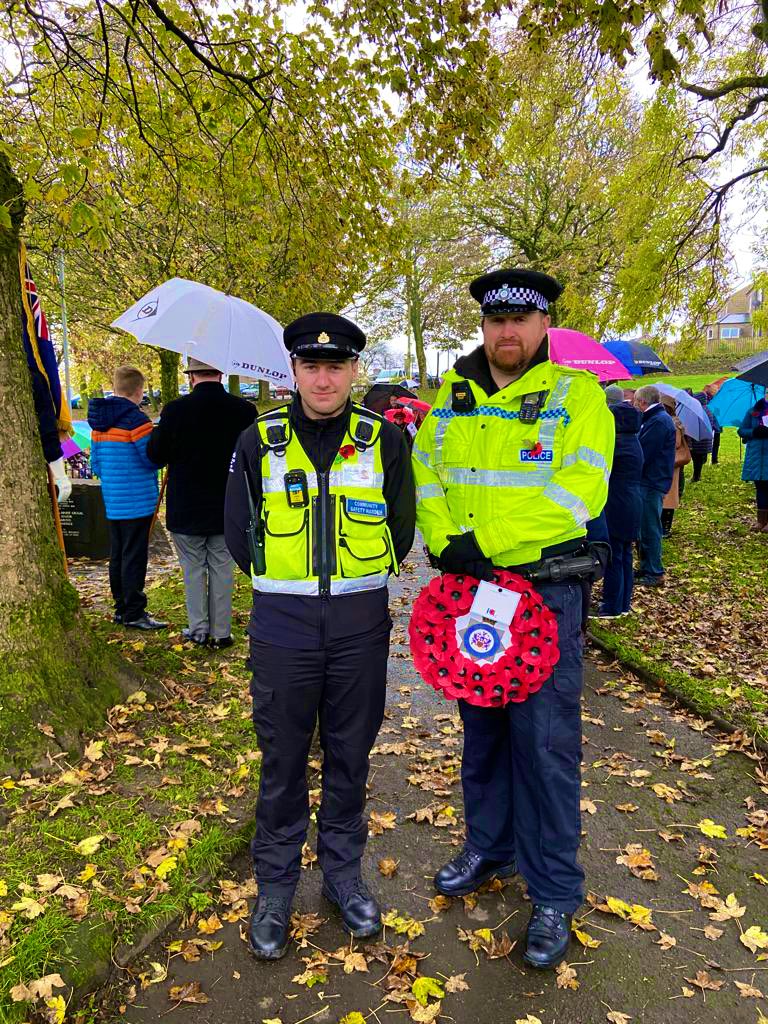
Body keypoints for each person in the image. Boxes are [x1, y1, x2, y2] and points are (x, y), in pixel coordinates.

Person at [412, 269, 614, 970]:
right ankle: (489, 848)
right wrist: (443, 541)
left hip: (541, 596)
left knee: (546, 744)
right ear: (484, 325)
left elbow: (575, 491)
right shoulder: (453, 398)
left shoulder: (577, 397)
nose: (507, 332)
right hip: (473, 596)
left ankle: (555, 889)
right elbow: (426, 475)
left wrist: (480, 547)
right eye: (496, 320)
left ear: (543, 325)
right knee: (484, 734)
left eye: (521, 320)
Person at [224, 313, 415, 960]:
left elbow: (404, 528)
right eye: (311, 365)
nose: (324, 376)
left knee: (348, 757)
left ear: (355, 371)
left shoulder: (384, 441)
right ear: (294, 372)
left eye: (337, 365)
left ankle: (341, 876)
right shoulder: (257, 440)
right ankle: (275, 889)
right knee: (281, 763)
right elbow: (236, 535)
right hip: (282, 628)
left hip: (359, 626)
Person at [147, 358, 257, 648]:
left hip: (187, 504)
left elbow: (156, 454)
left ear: (192, 376)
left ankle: (197, 629)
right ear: (220, 373)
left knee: (193, 568)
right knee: (221, 566)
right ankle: (221, 633)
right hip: (227, 504)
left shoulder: (175, 410)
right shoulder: (244, 410)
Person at [88, 366, 166, 630]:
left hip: (113, 498)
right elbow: (151, 458)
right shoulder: (137, 421)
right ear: (139, 390)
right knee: (134, 556)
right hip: (138, 499)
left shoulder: (99, 422)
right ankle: (135, 611)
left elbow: (95, 463)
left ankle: (120, 607)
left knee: (118, 554)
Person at [595, 386, 643, 618]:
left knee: (614, 555)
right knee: (625, 555)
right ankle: (623, 603)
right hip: (632, 502)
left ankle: (611, 605)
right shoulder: (633, 439)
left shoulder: (616, 444)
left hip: (616, 503)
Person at [633, 385, 676, 586]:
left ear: (642, 402)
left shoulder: (658, 421)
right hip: (651, 480)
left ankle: (654, 570)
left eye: (636, 402)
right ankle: (645, 566)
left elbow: (644, 451)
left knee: (650, 527)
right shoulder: (657, 419)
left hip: (651, 481)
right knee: (643, 526)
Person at [659, 394, 690, 537]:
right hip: (668, 462)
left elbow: (676, 443)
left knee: (670, 495)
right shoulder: (671, 421)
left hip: (671, 462)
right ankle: (663, 525)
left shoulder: (673, 423)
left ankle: (666, 526)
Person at [737, 396, 768, 531]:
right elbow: (742, 430)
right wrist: (754, 431)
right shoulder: (752, 412)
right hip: (756, 457)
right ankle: (761, 521)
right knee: (760, 487)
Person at [689, 391, 715, 481]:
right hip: (706, 439)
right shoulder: (708, 410)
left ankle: (696, 477)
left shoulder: (698, 411)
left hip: (698, 440)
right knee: (699, 460)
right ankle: (697, 476)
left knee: (697, 460)